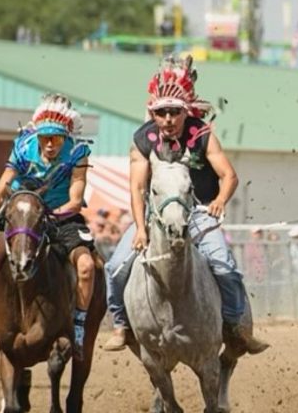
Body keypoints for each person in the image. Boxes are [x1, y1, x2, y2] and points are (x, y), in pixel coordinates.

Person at [102, 55, 267, 356]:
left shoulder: (201, 134)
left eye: (174, 112)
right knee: (114, 268)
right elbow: (137, 187)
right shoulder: (143, 139)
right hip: (156, 217)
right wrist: (140, 228)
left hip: (199, 214)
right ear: (153, 113)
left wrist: (218, 201)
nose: (168, 119)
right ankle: (121, 324)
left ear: (185, 112)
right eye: (162, 112)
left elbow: (229, 175)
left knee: (225, 268)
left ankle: (235, 328)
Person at [0, 94, 97, 358]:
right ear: (37, 136)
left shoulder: (78, 153)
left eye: (56, 139)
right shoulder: (22, 147)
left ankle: (79, 326)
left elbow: (74, 201)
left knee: (87, 267)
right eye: (45, 138)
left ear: (66, 137)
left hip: (60, 216)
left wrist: (49, 215)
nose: (50, 145)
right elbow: (1, 188)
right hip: (22, 215)